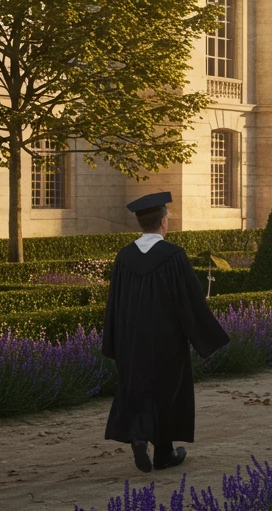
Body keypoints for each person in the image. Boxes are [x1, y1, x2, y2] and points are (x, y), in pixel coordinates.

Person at [103, 192, 230, 473]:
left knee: (136, 387)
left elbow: (114, 303)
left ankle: (140, 436)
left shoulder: (124, 257)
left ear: (141, 223)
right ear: (163, 221)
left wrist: (113, 341)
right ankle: (164, 453)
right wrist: (207, 336)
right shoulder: (173, 255)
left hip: (131, 339)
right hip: (166, 339)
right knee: (167, 391)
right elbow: (189, 300)